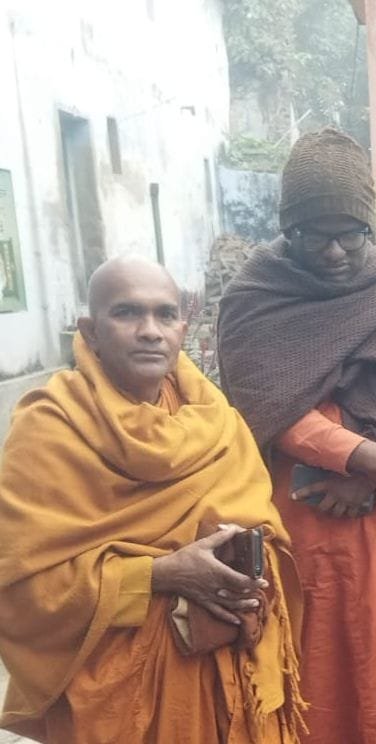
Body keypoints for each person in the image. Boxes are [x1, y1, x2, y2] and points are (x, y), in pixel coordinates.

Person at [217, 128, 376, 744]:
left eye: (350, 234)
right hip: (304, 528)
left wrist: (370, 469)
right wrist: (358, 455)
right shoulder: (256, 295)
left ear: (370, 227)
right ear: (289, 230)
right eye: (315, 235)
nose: (334, 251)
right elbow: (262, 400)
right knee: (317, 672)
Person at [0, 256, 305, 743]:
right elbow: (23, 589)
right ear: (90, 331)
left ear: (182, 328)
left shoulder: (217, 422)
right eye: (126, 313)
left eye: (165, 314)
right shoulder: (50, 429)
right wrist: (161, 574)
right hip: (116, 689)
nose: (149, 331)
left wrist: (244, 560)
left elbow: (266, 528)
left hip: (223, 671)